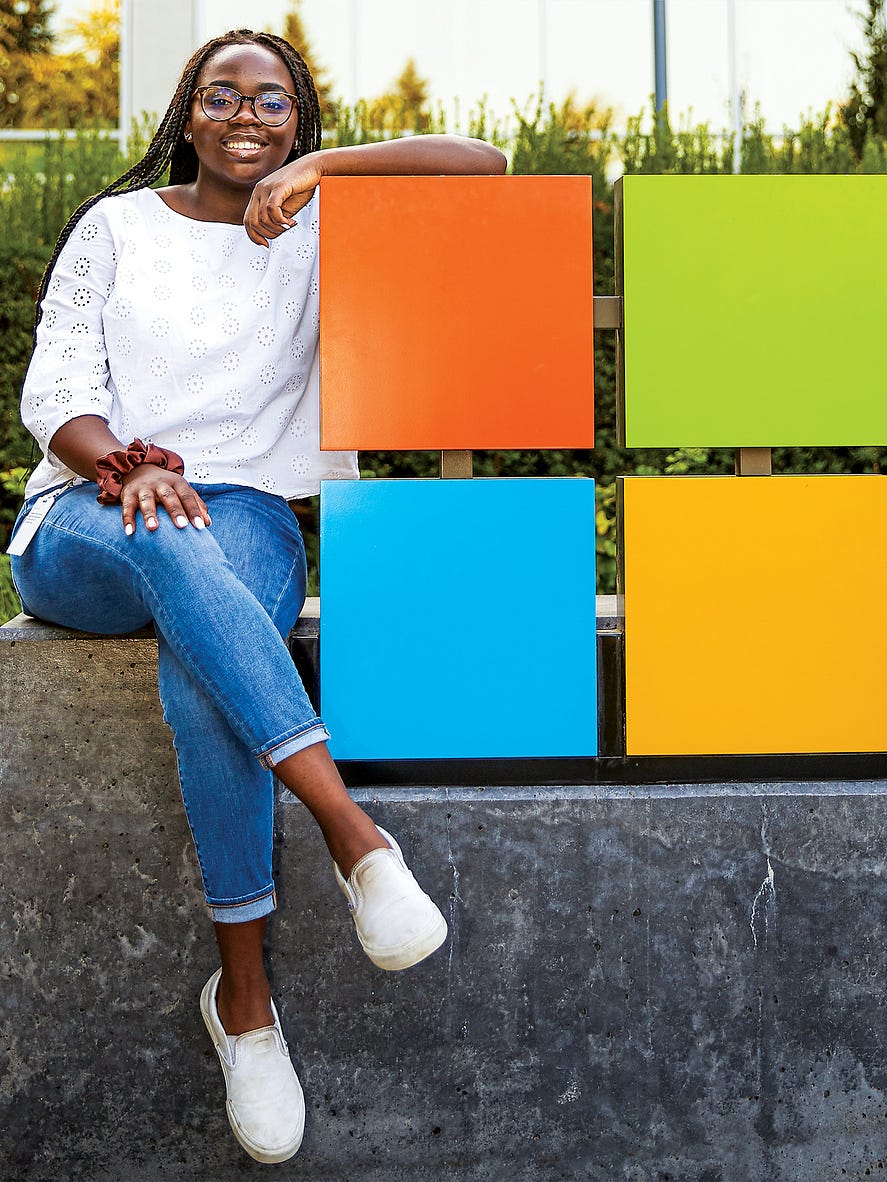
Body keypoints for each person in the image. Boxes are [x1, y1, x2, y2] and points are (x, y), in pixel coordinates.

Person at [6, 28, 506, 1165]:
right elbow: (58, 387)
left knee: (204, 632)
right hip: (90, 508)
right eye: (222, 95)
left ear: (296, 120)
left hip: (247, 512)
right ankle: (353, 836)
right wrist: (123, 467)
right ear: (188, 111)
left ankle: (243, 1004)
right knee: (174, 537)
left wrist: (327, 170)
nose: (245, 115)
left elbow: (482, 164)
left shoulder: (318, 222)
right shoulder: (117, 226)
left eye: (272, 101)